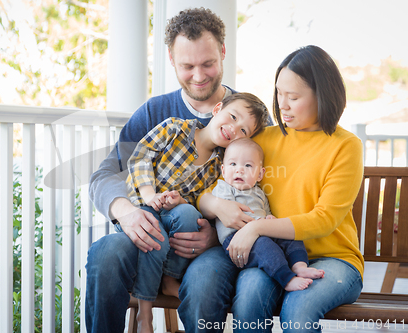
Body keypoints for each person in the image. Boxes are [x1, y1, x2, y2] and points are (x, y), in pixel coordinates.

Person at [86, 7, 272, 333]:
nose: (199, 76)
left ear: (223, 52)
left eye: (208, 64)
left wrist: (216, 236)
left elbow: (264, 192)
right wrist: (127, 212)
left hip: (211, 247)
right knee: (106, 254)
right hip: (149, 227)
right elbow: (106, 174)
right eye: (187, 66)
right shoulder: (155, 113)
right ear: (171, 58)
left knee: (203, 284)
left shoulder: (250, 120)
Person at [199, 45, 364, 332]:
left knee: (297, 312)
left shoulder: (345, 146)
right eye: (279, 93)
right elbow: (212, 188)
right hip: (273, 254)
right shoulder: (263, 139)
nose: (282, 105)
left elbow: (324, 219)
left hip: (335, 259)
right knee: (250, 297)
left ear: (321, 96)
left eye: (294, 97)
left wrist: (256, 228)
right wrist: (216, 206)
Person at [127, 93, 269, 332]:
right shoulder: (174, 128)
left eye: (243, 131)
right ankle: (146, 313)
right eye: (232, 117)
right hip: (145, 208)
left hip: (177, 221)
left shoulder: (221, 167)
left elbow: (197, 201)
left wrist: (182, 201)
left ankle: (169, 280)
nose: (233, 129)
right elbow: (141, 156)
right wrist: (151, 195)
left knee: (185, 214)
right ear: (217, 109)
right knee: (160, 224)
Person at [213, 138, 324, 292]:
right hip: (236, 239)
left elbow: (265, 211)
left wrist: (270, 218)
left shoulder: (259, 192)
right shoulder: (224, 188)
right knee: (265, 247)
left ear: (260, 174)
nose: (239, 170)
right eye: (233, 164)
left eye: (248, 165)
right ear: (223, 171)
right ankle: (287, 279)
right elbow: (227, 213)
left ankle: (300, 266)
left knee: (291, 237)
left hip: (260, 231)